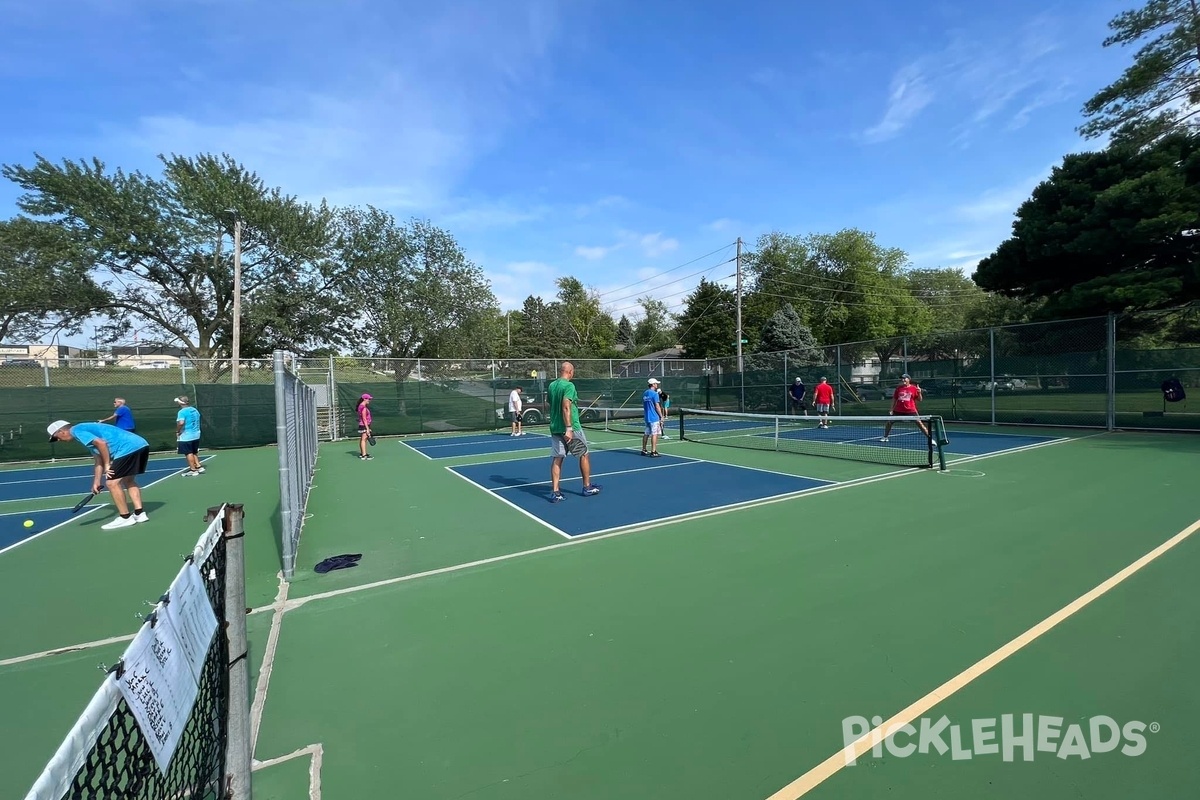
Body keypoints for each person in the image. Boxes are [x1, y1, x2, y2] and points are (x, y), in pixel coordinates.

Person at [47, 419, 151, 530]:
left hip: (127, 448)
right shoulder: (86, 432)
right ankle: (139, 514)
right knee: (128, 480)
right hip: (141, 445)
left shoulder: (77, 430)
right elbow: (98, 460)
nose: (58, 440)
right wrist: (96, 482)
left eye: (56, 437)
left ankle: (125, 517)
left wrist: (107, 465)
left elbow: (102, 443)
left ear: (61, 431)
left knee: (112, 483)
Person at [547, 361, 601, 502]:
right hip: (571, 427)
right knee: (584, 454)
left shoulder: (552, 385)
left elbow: (552, 403)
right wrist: (569, 428)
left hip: (555, 427)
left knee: (558, 458)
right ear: (570, 372)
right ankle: (587, 487)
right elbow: (566, 406)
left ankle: (555, 491)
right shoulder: (569, 385)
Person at [881, 374, 929, 442]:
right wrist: (891, 409)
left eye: (904, 378)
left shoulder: (914, 388)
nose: (902, 380)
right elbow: (894, 399)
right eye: (902, 378)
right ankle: (885, 437)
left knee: (920, 424)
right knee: (889, 422)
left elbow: (920, 400)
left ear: (908, 379)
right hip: (898, 410)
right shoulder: (898, 388)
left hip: (911, 410)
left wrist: (919, 392)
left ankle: (930, 439)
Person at [173, 395, 205, 476]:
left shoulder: (181, 412)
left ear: (180, 403)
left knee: (188, 452)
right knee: (194, 451)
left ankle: (193, 470)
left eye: (177, 401)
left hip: (187, 436)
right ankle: (199, 466)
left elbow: (181, 423)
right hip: (196, 434)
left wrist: (178, 431)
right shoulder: (194, 410)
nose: (177, 403)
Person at [642, 378, 663, 457]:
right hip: (654, 418)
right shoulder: (654, 394)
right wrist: (661, 416)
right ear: (653, 384)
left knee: (646, 433)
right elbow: (657, 406)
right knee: (654, 434)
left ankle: (644, 450)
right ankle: (653, 451)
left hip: (647, 417)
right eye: (656, 383)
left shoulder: (645, 393)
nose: (657, 385)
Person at [356, 394, 373, 460]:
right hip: (364, 425)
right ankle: (364, 455)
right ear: (364, 399)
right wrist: (367, 428)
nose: (369, 400)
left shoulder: (361, 406)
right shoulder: (363, 407)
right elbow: (364, 418)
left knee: (363, 439)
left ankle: (363, 453)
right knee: (363, 439)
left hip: (363, 424)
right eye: (368, 399)